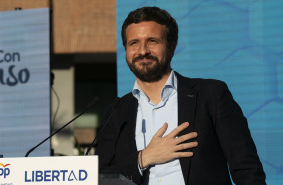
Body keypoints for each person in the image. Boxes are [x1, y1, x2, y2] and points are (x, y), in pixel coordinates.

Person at [96, 6, 266, 185]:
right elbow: (100, 175)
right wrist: (143, 158)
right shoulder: (116, 111)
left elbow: (247, 169)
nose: (143, 50)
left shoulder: (211, 95)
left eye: (152, 41)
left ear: (172, 47)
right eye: (134, 43)